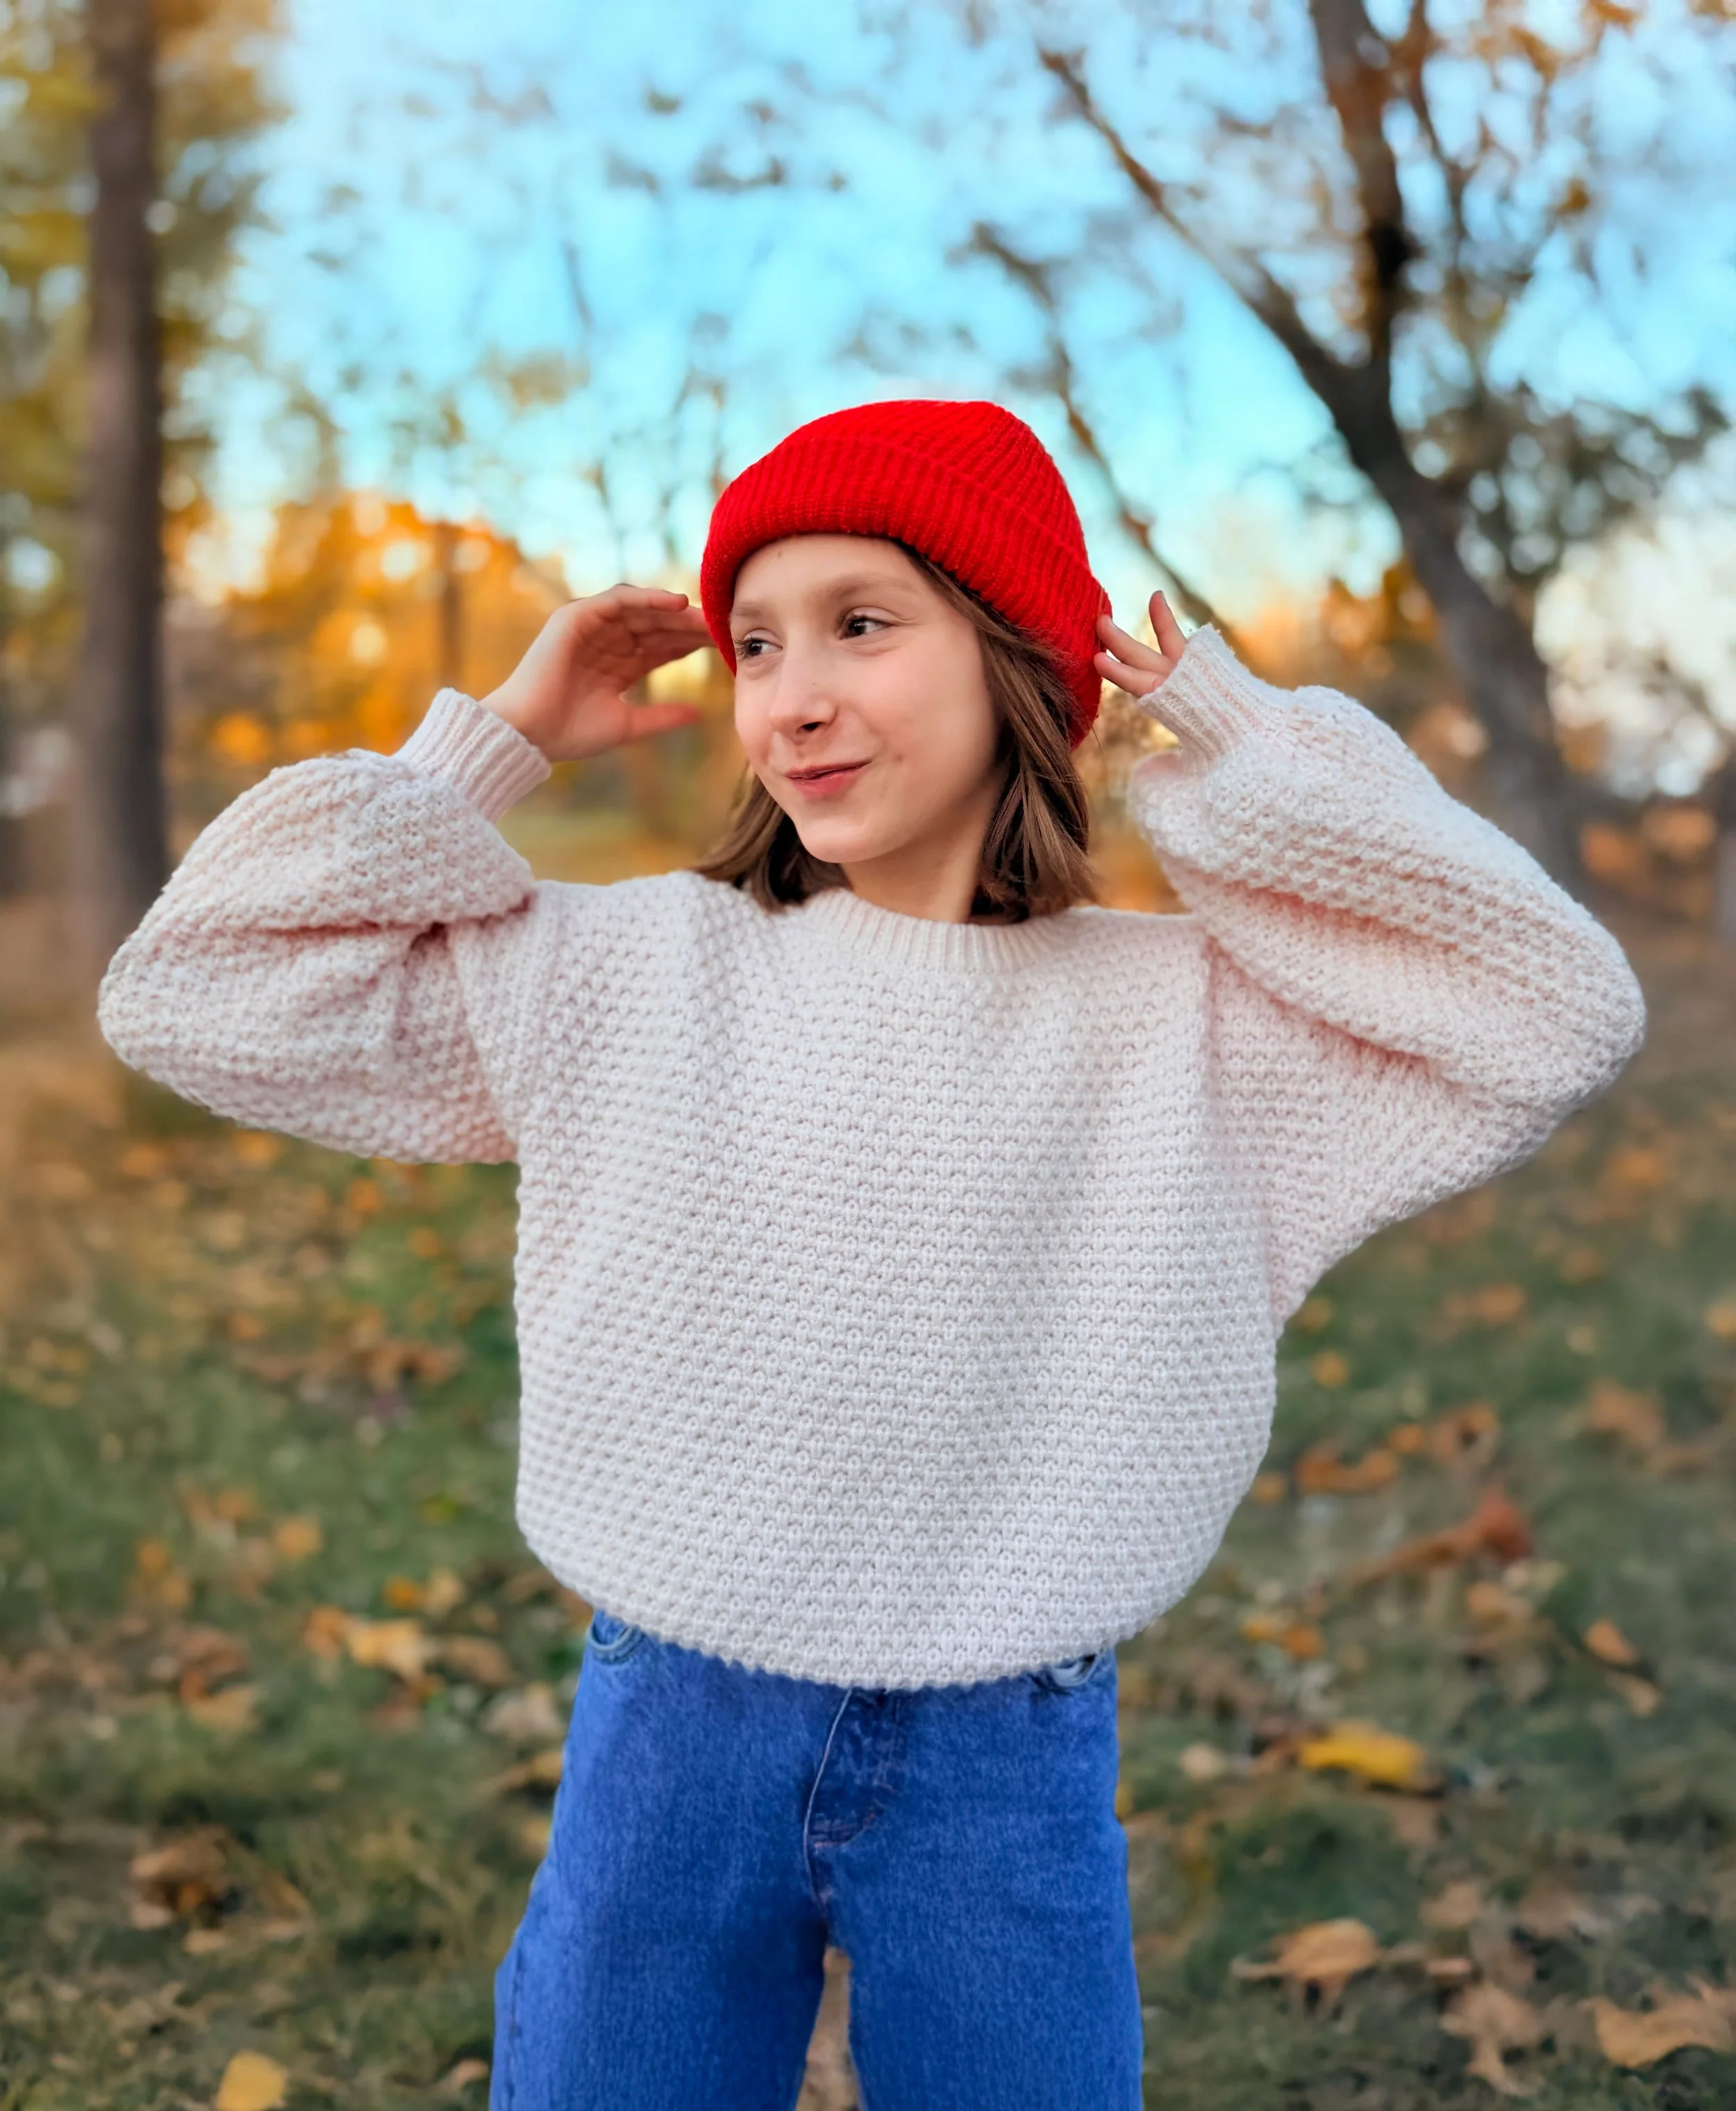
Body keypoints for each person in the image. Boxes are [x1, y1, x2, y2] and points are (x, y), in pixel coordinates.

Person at [96, 397, 1648, 2110]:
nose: (792, 695)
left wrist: (1234, 749)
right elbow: (191, 991)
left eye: (859, 623)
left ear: (1015, 657)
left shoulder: (1181, 1024)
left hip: (1008, 1749)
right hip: (674, 1719)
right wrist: (499, 738)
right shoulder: (627, 970)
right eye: (755, 644)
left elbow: (1549, 1006)